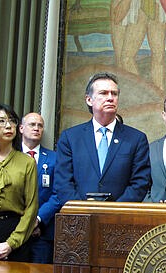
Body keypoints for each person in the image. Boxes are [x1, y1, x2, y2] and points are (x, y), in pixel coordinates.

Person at [55, 72, 151, 204]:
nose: (110, 98)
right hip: (80, 216)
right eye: (104, 93)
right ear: (89, 99)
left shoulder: (136, 139)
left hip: (119, 218)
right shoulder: (70, 138)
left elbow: (140, 183)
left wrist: (112, 211)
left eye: (114, 93)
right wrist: (82, 209)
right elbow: (63, 182)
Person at [0, 104, 38, 261]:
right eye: (1, 121)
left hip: (14, 234)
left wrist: (11, 244)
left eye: (12, 121)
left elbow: (31, 207)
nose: (8, 125)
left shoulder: (27, 162)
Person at [20, 112, 62, 263]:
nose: (36, 128)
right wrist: (24, 223)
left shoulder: (54, 158)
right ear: (21, 128)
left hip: (42, 232)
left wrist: (37, 220)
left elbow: (58, 194)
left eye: (40, 125)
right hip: (12, 229)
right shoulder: (10, 156)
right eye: (32, 124)